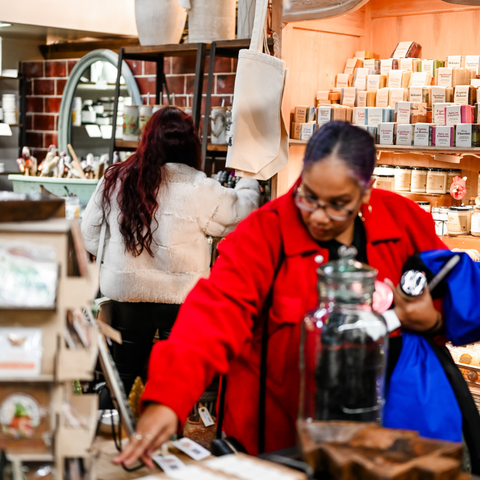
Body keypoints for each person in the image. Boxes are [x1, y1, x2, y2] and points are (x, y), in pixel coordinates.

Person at [114, 121, 462, 468]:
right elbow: (213, 314)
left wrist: (433, 320)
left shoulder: (404, 222)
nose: (319, 217)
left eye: (338, 204)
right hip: (277, 443)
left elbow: (453, 294)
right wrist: (167, 399)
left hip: (382, 439)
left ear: (366, 191)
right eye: (308, 197)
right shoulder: (265, 232)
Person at [81, 106, 260, 395]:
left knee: (122, 379)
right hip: (181, 299)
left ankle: (114, 422)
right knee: (175, 383)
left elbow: (90, 237)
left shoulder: (116, 179)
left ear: (147, 139)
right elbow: (242, 213)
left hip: (127, 294)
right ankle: (167, 425)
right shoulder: (199, 187)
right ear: (191, 144)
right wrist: (249, 179)